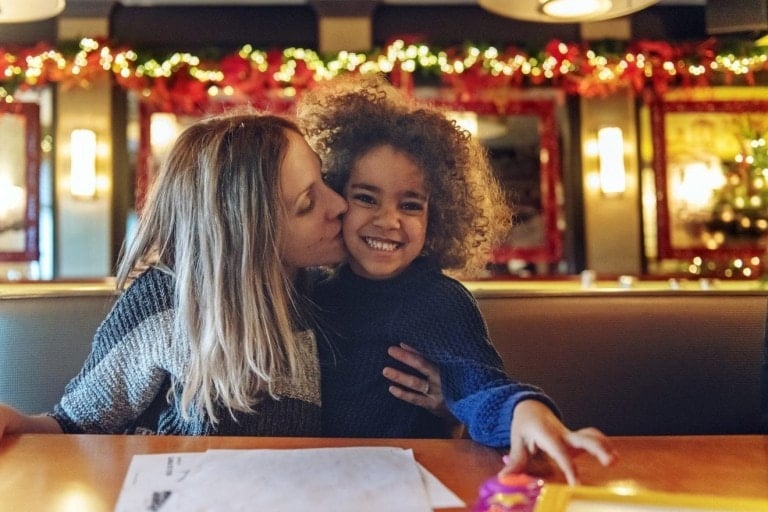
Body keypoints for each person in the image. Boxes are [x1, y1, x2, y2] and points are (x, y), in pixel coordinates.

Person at [0, 109, 443, 438]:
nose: (340, 206)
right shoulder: (168, 301)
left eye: (325, 182)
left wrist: (449, 404)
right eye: (308, 203)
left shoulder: (328, 292)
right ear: (247, 233)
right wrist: (16, 422)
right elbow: (78, 423)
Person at [297, 74, 616, 484]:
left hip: (410, 483)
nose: (388, 220)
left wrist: (526, 414)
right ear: (336, 197)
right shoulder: (313, 291)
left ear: (438, 217)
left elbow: (480, 387)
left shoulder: (438, 301)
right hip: (317, 482)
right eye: (366, 197)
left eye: (410, 205)